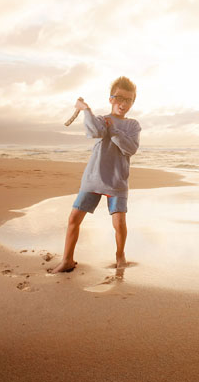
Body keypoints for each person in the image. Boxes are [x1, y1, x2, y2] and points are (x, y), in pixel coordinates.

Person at [48, 76, 141, 273]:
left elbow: (130, 148)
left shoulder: (133, 125)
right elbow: (94, 133)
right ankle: (67, 260)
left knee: (119, 223)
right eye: (119, 98)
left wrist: (113, 129)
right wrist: (86, 109)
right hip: (93, 179)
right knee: (74, 219)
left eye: (128, 100)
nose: (123, 103)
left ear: (132, 102)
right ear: (111, 99)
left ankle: (120, 256)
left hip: (116, 182)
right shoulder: (100, 120)